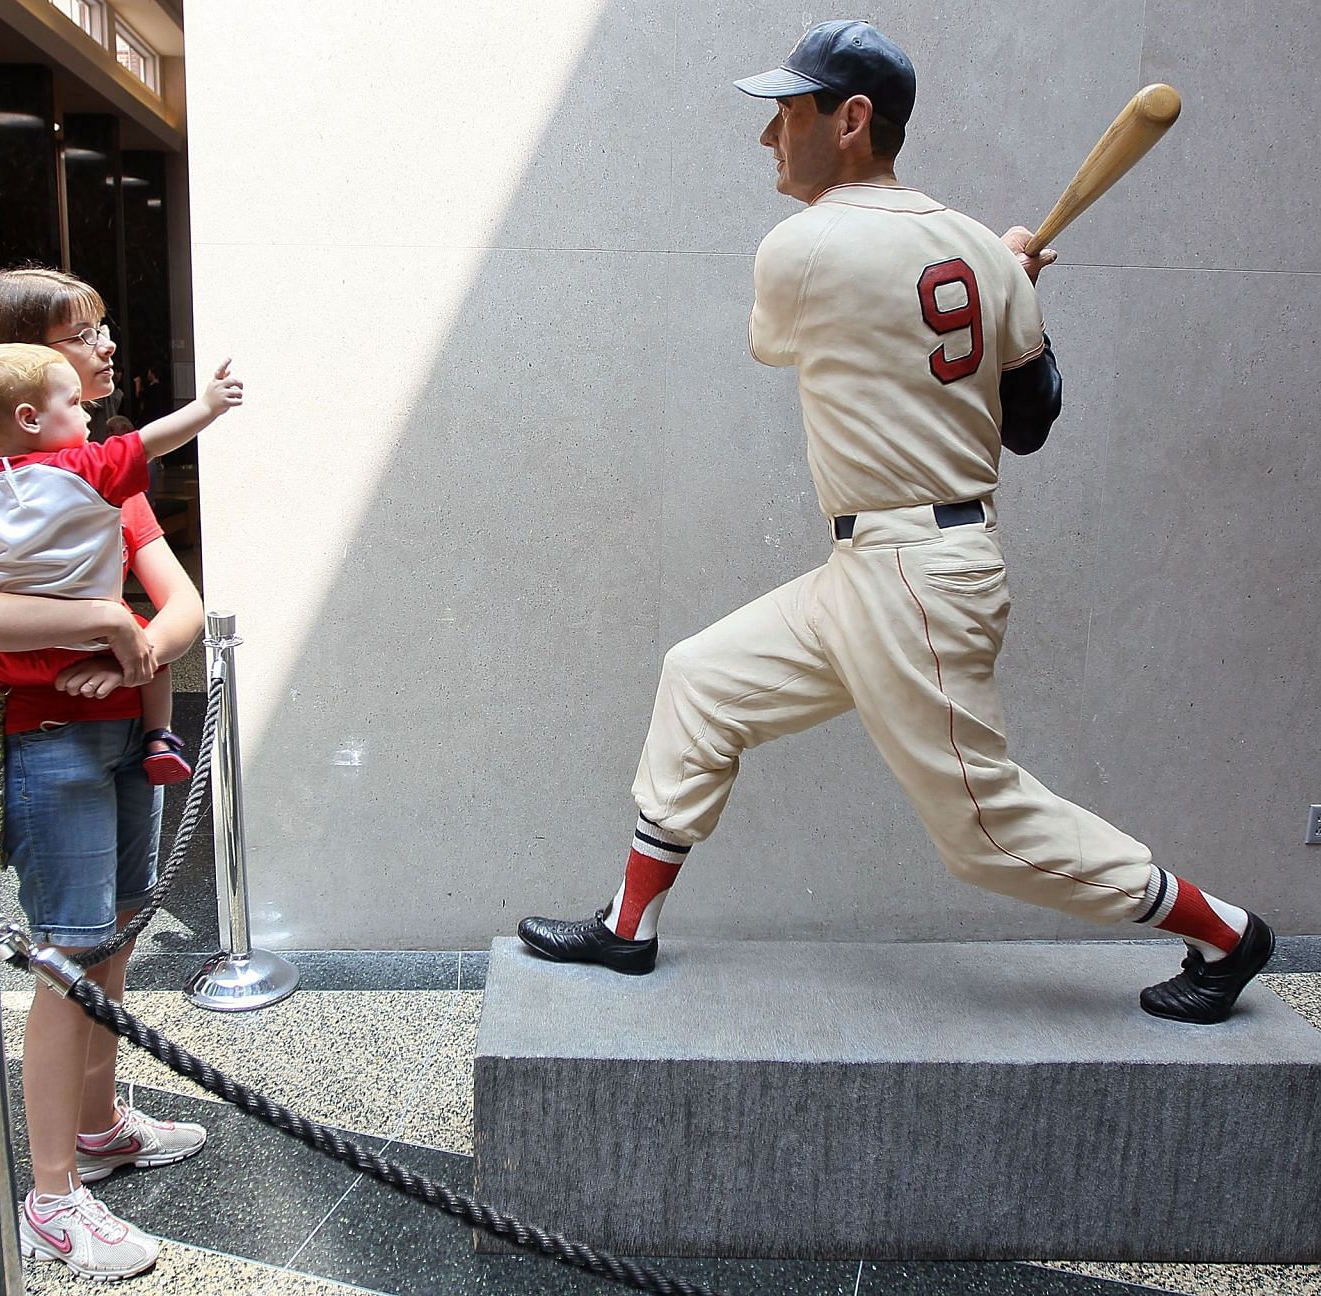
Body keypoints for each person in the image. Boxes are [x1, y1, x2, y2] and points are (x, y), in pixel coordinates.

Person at [517, 23, 1273, 1027]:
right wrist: (1011, 288)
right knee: (704, 680)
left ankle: (1226, 932)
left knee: (983, 833)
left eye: (789, 114)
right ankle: (630, 925)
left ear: (854, 119)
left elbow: (787, 340)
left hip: (916, 578)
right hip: (875, 567)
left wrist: (990, 282)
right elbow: (1032, 420)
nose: (769, 139)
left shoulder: (801, 247)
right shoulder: (977, 252)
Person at [0, 267, 210, 1281]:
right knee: (67, 954)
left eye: (101, 325)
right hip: (50, 737)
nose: (106, 345)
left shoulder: (89, 464)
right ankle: (52, 1195)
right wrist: (102, 624)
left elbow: (178, 601)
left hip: (123, 725)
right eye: (81, 332)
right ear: (22, 368)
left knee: (113, 937)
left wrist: (139, 644)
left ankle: (100, 1125)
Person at [0, 343, 237, 813]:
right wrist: (207, 407)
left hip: (12, 653)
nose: (104, 346)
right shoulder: (87, 469)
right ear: (29, 417)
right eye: (74, 401)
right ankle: (158, 738)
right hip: (95, 655)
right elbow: (152, 440)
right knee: (151, 653)